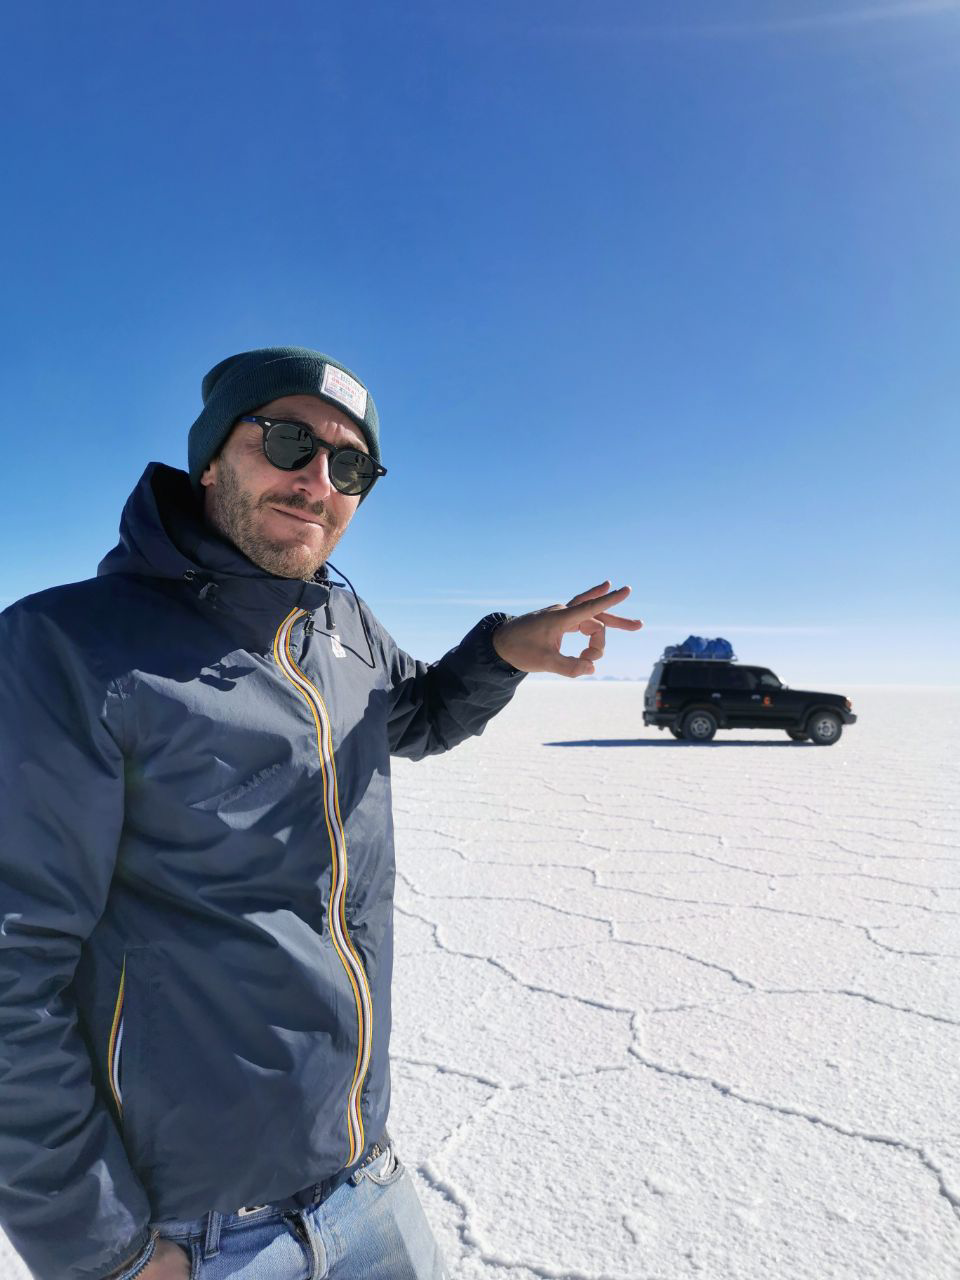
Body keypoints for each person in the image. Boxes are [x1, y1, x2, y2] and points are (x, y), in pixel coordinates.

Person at [0, 346, 643, 1280]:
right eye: (290, 442)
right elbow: (11, 965)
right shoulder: (67, 647)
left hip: (364, 1185)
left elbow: (413, 717)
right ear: (211, 458)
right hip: (201, 1235)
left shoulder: (336, 626)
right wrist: (104, 1251)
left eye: (352, 467)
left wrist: (503, 650)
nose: (318, 483)